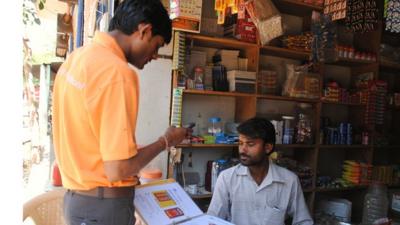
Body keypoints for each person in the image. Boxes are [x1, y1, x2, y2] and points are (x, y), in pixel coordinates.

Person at [52, 1, 189, 225]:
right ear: (144, 30)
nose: (155, 55)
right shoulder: (117, 72)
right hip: (103, 208)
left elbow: (93, 144)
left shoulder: (77, 59)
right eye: (156, 46)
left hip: (77, 202)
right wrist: (166, 141)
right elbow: (118, 169)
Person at [207, 117, 313, 225]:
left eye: (250, 144)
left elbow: (303, 221)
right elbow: (212, 220)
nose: (242, 149)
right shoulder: (227, 178)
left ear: (267, 147)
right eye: (240, 143)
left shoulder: (289, 180)